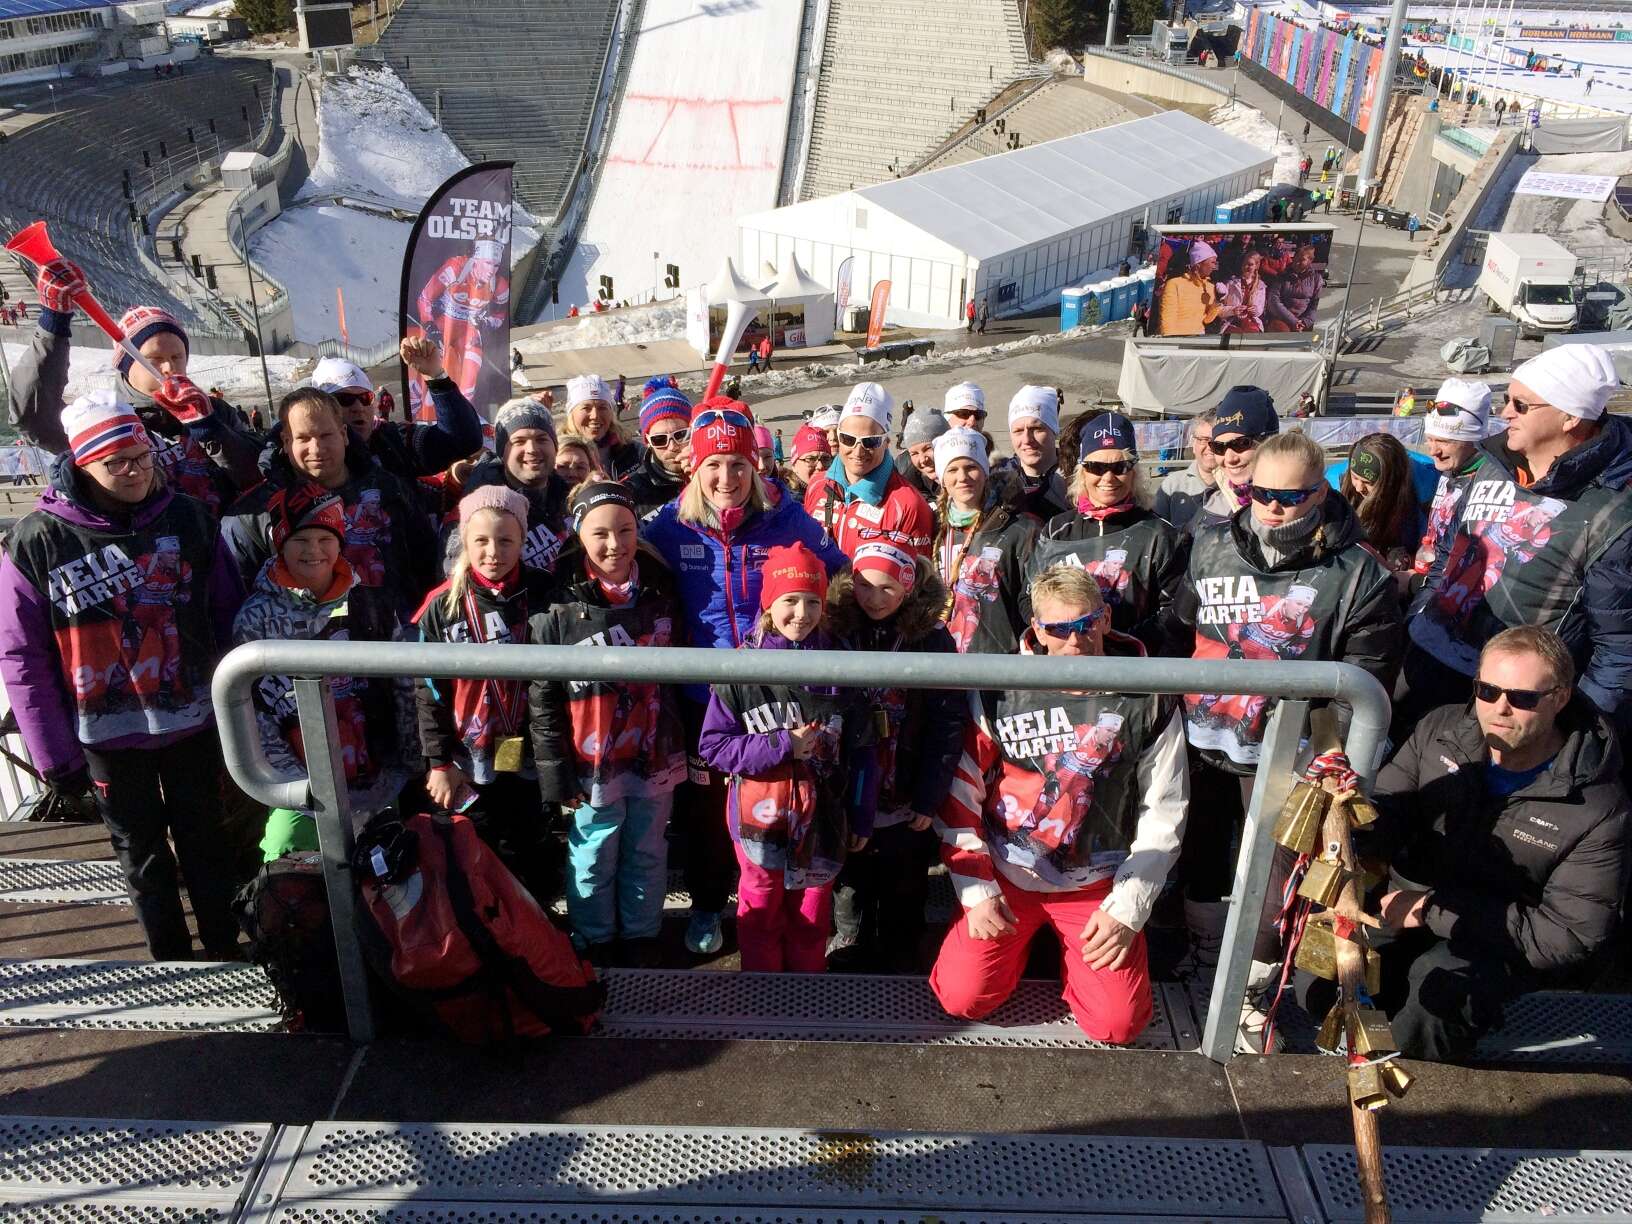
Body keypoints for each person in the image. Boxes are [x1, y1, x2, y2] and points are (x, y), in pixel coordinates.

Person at [1162, 430, 1403, 1048]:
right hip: (1201, 736)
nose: (1270, 506)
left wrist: (1331, 759)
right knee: (1198, 858)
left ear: (1319, 492)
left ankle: (1252, 988)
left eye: (1288, 496)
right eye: (1258, 492)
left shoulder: (1358, 574)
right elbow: (1176, 628)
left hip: (1286, 752)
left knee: (1270, 886)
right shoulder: (1212, 542)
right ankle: (1206, 955)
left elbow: (1365, 679)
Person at [0, 391, 245, 960]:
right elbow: (21, 656)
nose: (135, 471)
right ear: (83, 464)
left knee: (206, 839)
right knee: (141, 852)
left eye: (141, 457)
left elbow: (228, 614)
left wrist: (241, 710)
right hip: (103, 732)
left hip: (192, 717)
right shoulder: (36, 541)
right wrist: (54, 756)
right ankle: (170, 958)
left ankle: (225, 946)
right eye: (117, 463)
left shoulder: (190, 518)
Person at [1338, 626, 1630, 1062]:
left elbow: (1570, 935)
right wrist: (1348, 816)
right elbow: (1389, 813)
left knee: (1436, 997)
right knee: (1326, 972)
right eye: (1487, 691)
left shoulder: (1597, 806)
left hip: (1506, 935)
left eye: (1522, 698)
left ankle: (1420, 1085)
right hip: (1411, 899)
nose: (1499, 709)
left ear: (1560, 698)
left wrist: (1432, 909)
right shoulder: (1441, 730)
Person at [930, 566, 1188, 1044]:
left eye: (1086, 624)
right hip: (1010, 871)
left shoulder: (1149, 692)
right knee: (962, 999)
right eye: (1059, 628)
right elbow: (962, 793)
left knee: (1117, 1025)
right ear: (1037, 628)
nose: (1074, 640)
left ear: (1105, 618)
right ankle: (1020, 947)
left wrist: (1128, 908)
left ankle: (1074, 959)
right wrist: (976, 889)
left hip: (1096, 881)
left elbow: (1165, 809)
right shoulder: (999, 685)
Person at [643, 399, 848, 955]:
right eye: (713, 465)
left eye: (737, 464)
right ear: (695, 467)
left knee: (779, 796)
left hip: (778, 690)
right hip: (703, 693)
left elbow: (839, 573)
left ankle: (786, 907)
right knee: (707, 809)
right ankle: (710, 904)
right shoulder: (672, 523)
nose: (726, 477)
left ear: (753, 466)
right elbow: (619, 554)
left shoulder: (783, 518)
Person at [1408, 344, 1632, 728]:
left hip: (1508, 700)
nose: (1505, 413)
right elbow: (1450, 550)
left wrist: (1581, 729)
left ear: (1569, 417)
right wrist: (1421, 613)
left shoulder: (1612, 513)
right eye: (1506, 400)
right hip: (1430, 656)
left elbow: (1618, 648)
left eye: (1521, 405)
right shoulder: (1493, 462)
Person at [529, 481, 687, 967]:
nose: (615, 544)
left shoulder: (662, 586)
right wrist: (555, 772)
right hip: (590, 759)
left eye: (625, 530)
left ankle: (641, 936)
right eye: (600, 533)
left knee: (647, 848)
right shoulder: (555, 604)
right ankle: (594, 939)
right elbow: (542, 695)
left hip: (654, 749)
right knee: (592, 852)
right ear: (579, 535)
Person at [697, 543, 873, 972]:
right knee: (760, 906)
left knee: (812, 911)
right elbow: (713, 746)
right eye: (789, 600)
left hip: (824, 820)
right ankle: (762, 986)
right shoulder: (741, 669)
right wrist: (781, 746)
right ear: (768, 604)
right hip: (758, 821)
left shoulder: (842, 666)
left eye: (813, 601)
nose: (801, 613)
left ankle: (806, 985)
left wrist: (862, 816)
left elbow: (863, 749)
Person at [232, 483, 415, 862]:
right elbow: (257, 715)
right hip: (300, 789)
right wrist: (291, 787)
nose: (313, 550)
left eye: (325, 539)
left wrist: (410, 760)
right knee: (285, 862)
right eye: (300, 540)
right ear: (280, 542)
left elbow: (403, 689)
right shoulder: (255, 617)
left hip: (377, 781)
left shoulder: (373, 605)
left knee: (384, 872)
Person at [9, 261, 261, 517]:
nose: (169, 368)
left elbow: (256, 475)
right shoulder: (101, 418)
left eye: (177, 357)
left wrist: (210, 428)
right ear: (127, 364)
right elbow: (33, 415)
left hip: (220, 534)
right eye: (154, 359)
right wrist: (54, 323)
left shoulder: (213, 410)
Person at [414, 485, 559, 899]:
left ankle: (539, 921)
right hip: (469, 756)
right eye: (481, 540)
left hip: (532, 750)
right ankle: (490, 925)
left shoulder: (546, 592)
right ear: (464, 540)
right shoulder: (442, 605)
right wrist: (439, 762)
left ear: (523, 540)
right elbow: (428, 693)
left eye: (505, 540)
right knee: (480, 847)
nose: (493, 552)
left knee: (533, 840)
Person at [826, 545, 964, 972]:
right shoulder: (838, 628)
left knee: (905, 874)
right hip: (851, 776)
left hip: (906, 778)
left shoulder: (931, 637)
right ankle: (849, 937)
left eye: (887, 588)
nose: (874, 598)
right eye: (865, 586)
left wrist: (930, 794)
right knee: (851, 872)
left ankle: (901, 945)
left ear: (907, 588)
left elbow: (947, 719)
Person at [222, 388, 438, 623]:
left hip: (393, 635)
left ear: (343, 434)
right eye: (303, 438)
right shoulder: (255, 514)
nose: (316, 448)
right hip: (299, 640)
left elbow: (426, 564)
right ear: (286, 441)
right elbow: (235, 598)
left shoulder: (389, 490)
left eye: (326, 435)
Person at [1026, 411, 1185, 653]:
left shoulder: (1158, 534)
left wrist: (1116, 646)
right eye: (1096, 467)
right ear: (1082, 471)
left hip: (1132, 663)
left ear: (1134, 471)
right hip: (1068, 656)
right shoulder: (1056, 530)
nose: (1108, 478)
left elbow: (1173, 611)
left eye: (1120, 467)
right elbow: (1029, 597)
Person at [311, 341, 483, 486]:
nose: (358, 407)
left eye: (365, 398)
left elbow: (463, 441)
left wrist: (436, 376)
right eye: (344, 399)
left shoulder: (395, 439)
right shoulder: (311, 457)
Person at [932, 428, 1038, 655]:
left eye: (971, 467)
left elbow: (1030, 600)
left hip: (1001, 662)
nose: (962, 477)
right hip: (946, 659)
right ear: (942, 479)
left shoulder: (1018, 529)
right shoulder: (934, 528)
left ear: (984, 471)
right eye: (952, 470)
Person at [804, 382, 934, 559]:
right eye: (848, 439)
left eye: (870, 441)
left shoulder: (908, 505)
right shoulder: (817, 485)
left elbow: (920, 574)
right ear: (837, 438)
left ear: (886, 443)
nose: (858, 451)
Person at [459, 396, 572, 578]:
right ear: (501, 451)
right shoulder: (478, 511)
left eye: (541, 439)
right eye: (519, 441)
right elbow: (459, 575)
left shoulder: (569, 495)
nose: (532, 449)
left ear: (555, 447)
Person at [413, 236, 508, 408]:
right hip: (444, 323)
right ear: (476, 259)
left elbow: (500, 316)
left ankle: (465, 415)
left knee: (471, 373)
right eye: (487, 263)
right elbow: (424, 299)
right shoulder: (456, 268)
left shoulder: (499, 285)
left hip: (469, 329)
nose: (491, 270)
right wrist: (430, 326)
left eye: (496, 265)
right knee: (427, 367)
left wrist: (486, 323)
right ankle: (414, 405)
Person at [1411, 378, 1492, 579]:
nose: (1433, 451)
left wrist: (1416, 582)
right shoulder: (1451, 468)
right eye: (1429, 439)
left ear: (1473, 440)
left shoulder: (1488, 483)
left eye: (1444, 441)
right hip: (1432, 578)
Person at [1188, 386, 1279, 531]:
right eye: (1218, 447)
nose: (1229, 458)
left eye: (1241, 444)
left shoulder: (1300, 500)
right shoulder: (1210, 508)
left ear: (1270, 443)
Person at [1338, 432, 1425, 566]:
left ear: (1390, 483)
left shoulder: (1416, 499)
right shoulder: (1337, 491)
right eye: (1354, 477)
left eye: (1368, 483)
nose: (1359, 488)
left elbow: (1425, 551)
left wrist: (1405, 559)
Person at [992, 385, 1070, 521]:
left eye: (1036, 428)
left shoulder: (1078, 480)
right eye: (1018, 431)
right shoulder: (996, 483)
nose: (1027, 439)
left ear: (1054, 430)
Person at [622, 376, 693, 519]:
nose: (672, 447)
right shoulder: (630, 492)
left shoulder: (714, 474)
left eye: (681, 435)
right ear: (648, 441)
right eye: (659, 439)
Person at [563, 374, 642, 479]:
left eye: (602, 407)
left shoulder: (633, 451)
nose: (595, 415)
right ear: (571, 414)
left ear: (611, 413)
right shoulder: (558, 456)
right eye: (586, 408)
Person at [1154, 410, 1218, 532]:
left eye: (1216, 441)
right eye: (1203, 440)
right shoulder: (1172, 485)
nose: (1210, 447)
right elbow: (1156, 531)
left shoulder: (1237, 488)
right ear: (1193, 444)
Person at [1157, 240, 1221, 336]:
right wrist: (1171, 341)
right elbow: (1167, 321)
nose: (1214, 266)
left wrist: (1218, 301)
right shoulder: (1174, 284)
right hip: (1178, 338)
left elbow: (1207, 320)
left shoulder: (1210, 287)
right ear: (1198, 263)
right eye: (1212, 262)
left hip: (1198, 337)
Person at [897, 398, 950, 502]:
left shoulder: (972, 476)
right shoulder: (908, 485)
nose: (922, 460)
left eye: (928, 448)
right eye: (914, 453)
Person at [1263, 244, 1322, 333]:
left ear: (1310, 261)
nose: (1297, 262)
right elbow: (1273, 301)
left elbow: (1316, 303)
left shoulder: (1316, 279)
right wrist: (1293, 321)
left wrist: (1305, 322)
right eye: (1296, 258)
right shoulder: (1283, 276)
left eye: (1302, 260)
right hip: (1283, 318)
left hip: (1305, 319)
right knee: (1280, 330)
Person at [1217, 250, 1267, 334]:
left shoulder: (1260, 286)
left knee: (1250, 335)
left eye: (1250, 264)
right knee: (1236, 335)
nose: (1247, 267)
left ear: (1256, 266)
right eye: (1245, 264)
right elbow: (1219, 309)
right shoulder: (1231, 283)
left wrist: (1255, 310)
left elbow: (1260, 309)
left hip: (1251, 321)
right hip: (1231, 321)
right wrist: (1233, 310)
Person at [782, 424, 831, 500]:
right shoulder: (787, 502)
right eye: (810, 459)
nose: (820, 466)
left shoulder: (837, 493)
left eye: (825, 458)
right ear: (794, 465)